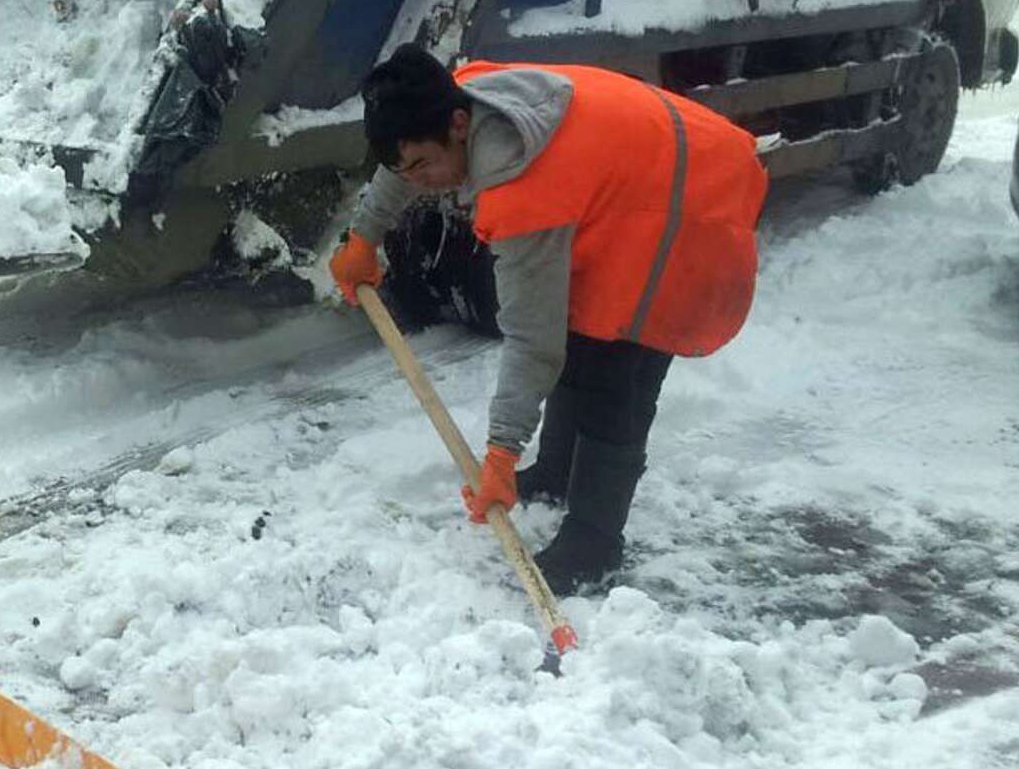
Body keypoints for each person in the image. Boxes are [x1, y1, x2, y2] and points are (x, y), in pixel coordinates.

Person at [328, 45, 767, 593]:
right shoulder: (457, 96)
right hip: (634, 176)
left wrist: (501, 452)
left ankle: (595, 542)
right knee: (579, 329)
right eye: (407, 168)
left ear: (459, 126)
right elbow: (407, 162)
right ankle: (559, 472)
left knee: (619, 365)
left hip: (693, 198)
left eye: (423, 166)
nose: (418, 179)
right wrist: (366, 235)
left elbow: (532, 339)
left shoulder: (520, 188)